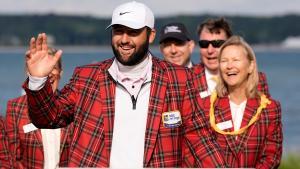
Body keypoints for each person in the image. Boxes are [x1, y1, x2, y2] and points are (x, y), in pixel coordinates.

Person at [22, 1, 226, 168]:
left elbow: (200, 139)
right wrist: (38, 81)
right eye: (119, 31)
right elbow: (48, 119)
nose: (124, 39)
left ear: (151, 35)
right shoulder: (87, 77)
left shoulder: (180, 79)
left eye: (133, 31)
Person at [203, 36, 282, 168]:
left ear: (250, 66)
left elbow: (272, 156)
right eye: (224, 61)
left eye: (235, 60)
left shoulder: (269, 109)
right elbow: (203, 153)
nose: (229, 66)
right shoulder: (207, 107)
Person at [6, 48, 73, 168]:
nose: (46, 72)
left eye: (52, 67)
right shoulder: (16, 108)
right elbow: (12, 158)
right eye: (41, 66)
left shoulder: (72, 106)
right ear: (29, 72)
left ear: (61, 72)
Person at [192, 18, 270, 98]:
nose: (210, 50)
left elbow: (265, 108)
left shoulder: (255, 79)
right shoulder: (188, 79)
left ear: (229, 44)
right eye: (204, 44)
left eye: (217, 43)